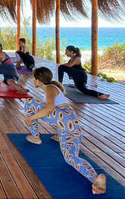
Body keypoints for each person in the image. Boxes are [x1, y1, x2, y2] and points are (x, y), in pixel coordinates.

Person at [24, 67, 106, 195]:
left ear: (38, 79)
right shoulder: (52, 88)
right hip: (71, 126)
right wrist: (61, 134)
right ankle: (95, 178)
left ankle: (35, 136)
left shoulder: (50, 88)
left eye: (34, 77)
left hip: (66, 120)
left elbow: (49, 109)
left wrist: (31, 118)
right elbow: (57, 114)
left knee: (29, 103)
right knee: (70, 157)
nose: (33, 80)